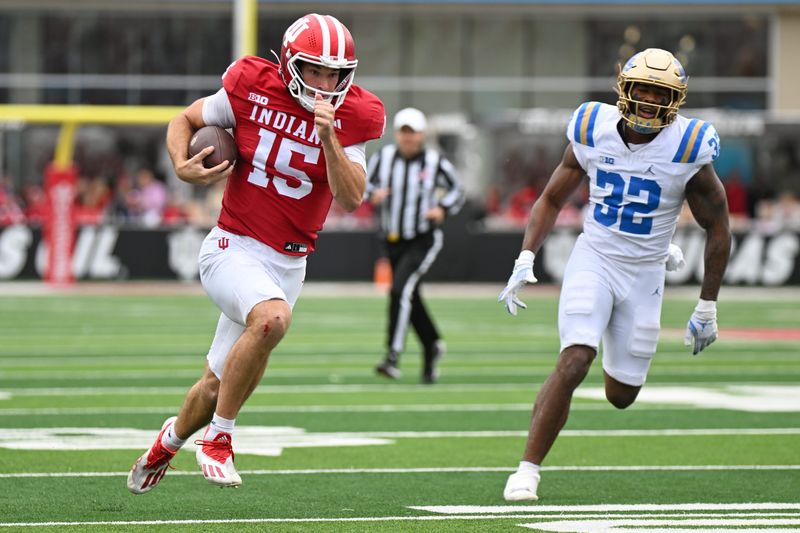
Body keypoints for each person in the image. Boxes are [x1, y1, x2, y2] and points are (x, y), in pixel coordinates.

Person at [127, 13, 385, 494]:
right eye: (315, 70)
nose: (327, 83)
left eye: (336, 73)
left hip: (290, 262)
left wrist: (328, 135)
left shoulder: (356, 114)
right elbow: (185, 119)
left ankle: (168, 441)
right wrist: (182, 166)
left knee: (212, 385)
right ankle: (219, 439)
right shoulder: (251, 83)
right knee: (271, 320)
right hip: (232, 245)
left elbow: (351, 198)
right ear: (290, 64)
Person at [498, 48, 731, 501]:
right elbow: (550, 198)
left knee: (621, 395)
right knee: (575, 358)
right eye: (642, 88)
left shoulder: (689, 145)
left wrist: (707, 305)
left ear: (676, 99)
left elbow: (718, 227)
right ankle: (527, 470)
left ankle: (615, 335)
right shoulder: (592, 128)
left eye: (661, 92)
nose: (649, 100)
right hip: (596, 258)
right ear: (624, 88)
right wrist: (525, 256)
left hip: (645, 272)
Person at [367, 107, 465, 384]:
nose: (408, 138)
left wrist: (443, 208)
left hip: (422, 238)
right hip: (391, 239)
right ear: (397, 134)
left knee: (400, 290)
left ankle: (392, 355)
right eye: (404, 132)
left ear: (422, 135)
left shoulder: (434, 162)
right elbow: (361, 184)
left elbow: (458, 189)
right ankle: (432, 344)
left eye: (413, 133)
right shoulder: (383, 158)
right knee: (409, 296)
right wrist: (372, 194)